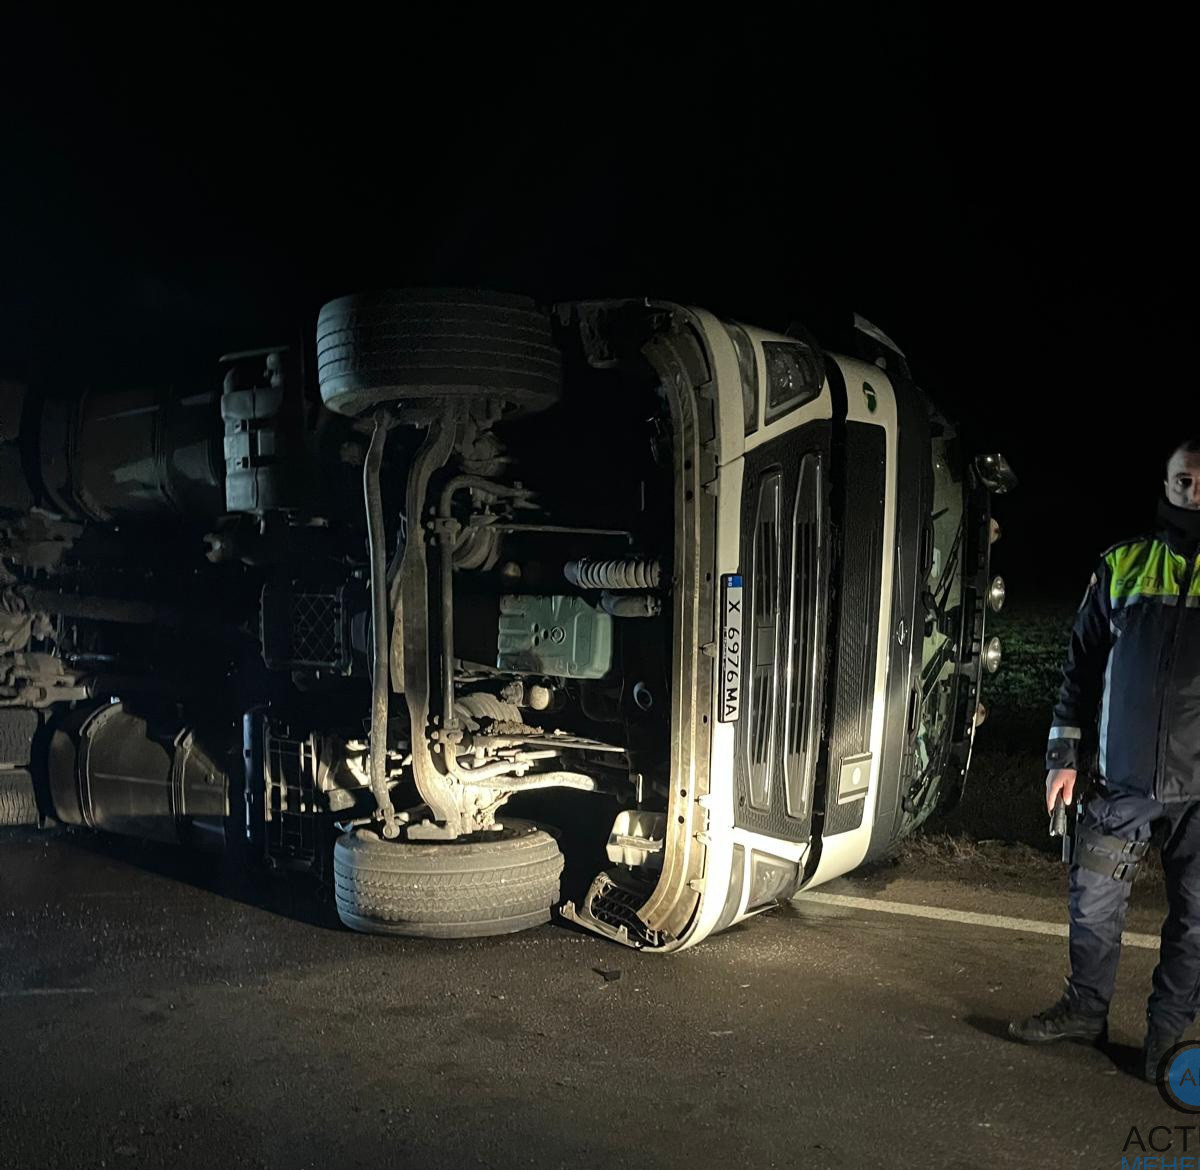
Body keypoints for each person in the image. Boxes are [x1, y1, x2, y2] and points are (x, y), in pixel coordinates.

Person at [1008, 437, 1200, 1081]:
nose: (1193, 493)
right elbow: (1080, 667)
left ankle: (1166, 1040)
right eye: (1183, 481)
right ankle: (1086, 1011)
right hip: (1120, 780)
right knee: (1091, 901)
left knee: (1196, 921)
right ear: (1166, 485)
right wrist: (1063, 755)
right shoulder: (1122, 565)